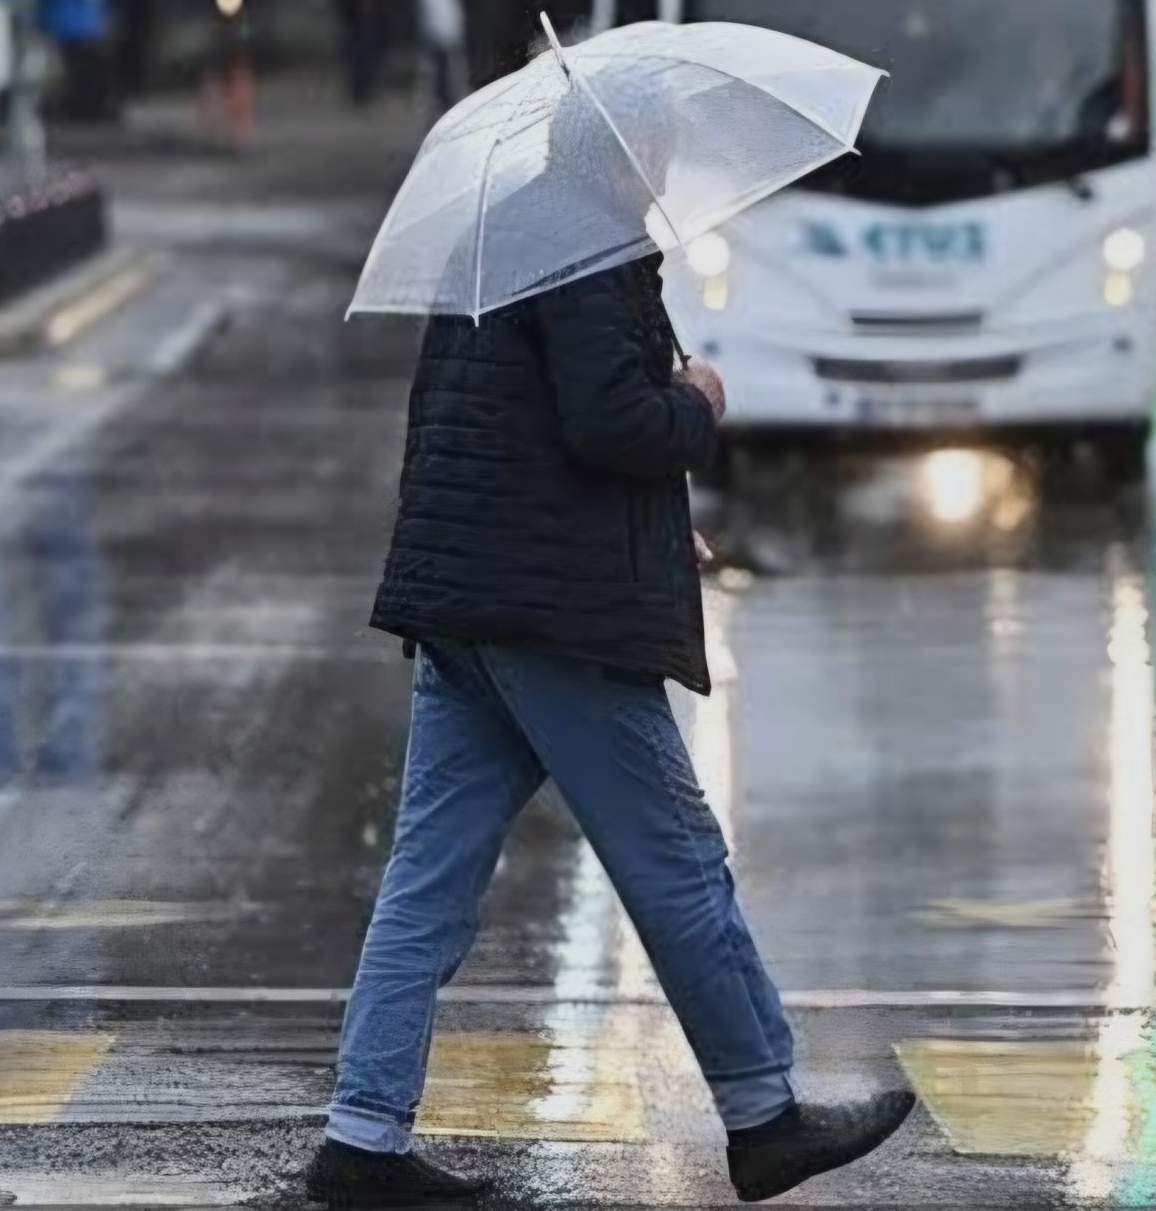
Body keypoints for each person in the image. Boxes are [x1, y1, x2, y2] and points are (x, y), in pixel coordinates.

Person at [307, 254, 916, 1206]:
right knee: (676, 859)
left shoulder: (499, 241)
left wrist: (644, 522)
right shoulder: (586, 252)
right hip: (558, 620)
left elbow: (507, 430)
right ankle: (764, 1114)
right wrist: (698, 405)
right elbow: (608, 421)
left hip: (470, 601)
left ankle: (362, 1134)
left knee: (427, 881)